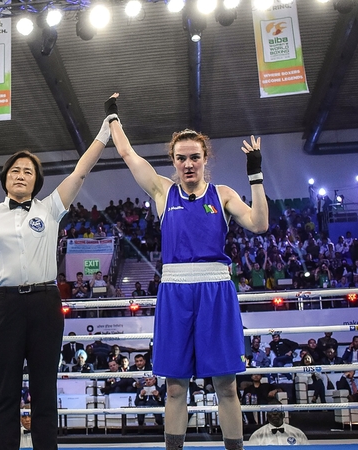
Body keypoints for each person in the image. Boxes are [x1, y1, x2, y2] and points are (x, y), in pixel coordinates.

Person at [0, 108, 116, 450]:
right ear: (5, 178)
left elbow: (80, 172)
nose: (21, 175)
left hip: (44, 303)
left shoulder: (49, 209)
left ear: (37, 181)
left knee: (45, 390)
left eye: (28, 171)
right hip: (2, 305)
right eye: (15, 170)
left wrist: (104, 132)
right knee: (5, 391)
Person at [109, 93, 268, 450]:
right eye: (181, 158)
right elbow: (127, 154)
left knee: (225, 384)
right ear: (174, 161)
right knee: (176, 385)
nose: (188, 164)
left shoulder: (223, 194)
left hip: (216, 289)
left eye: (195, 157)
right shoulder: (163, 192)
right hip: (175, 290)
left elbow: (259, 223)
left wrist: (255, 173)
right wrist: (112, 116)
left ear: (205, 158)